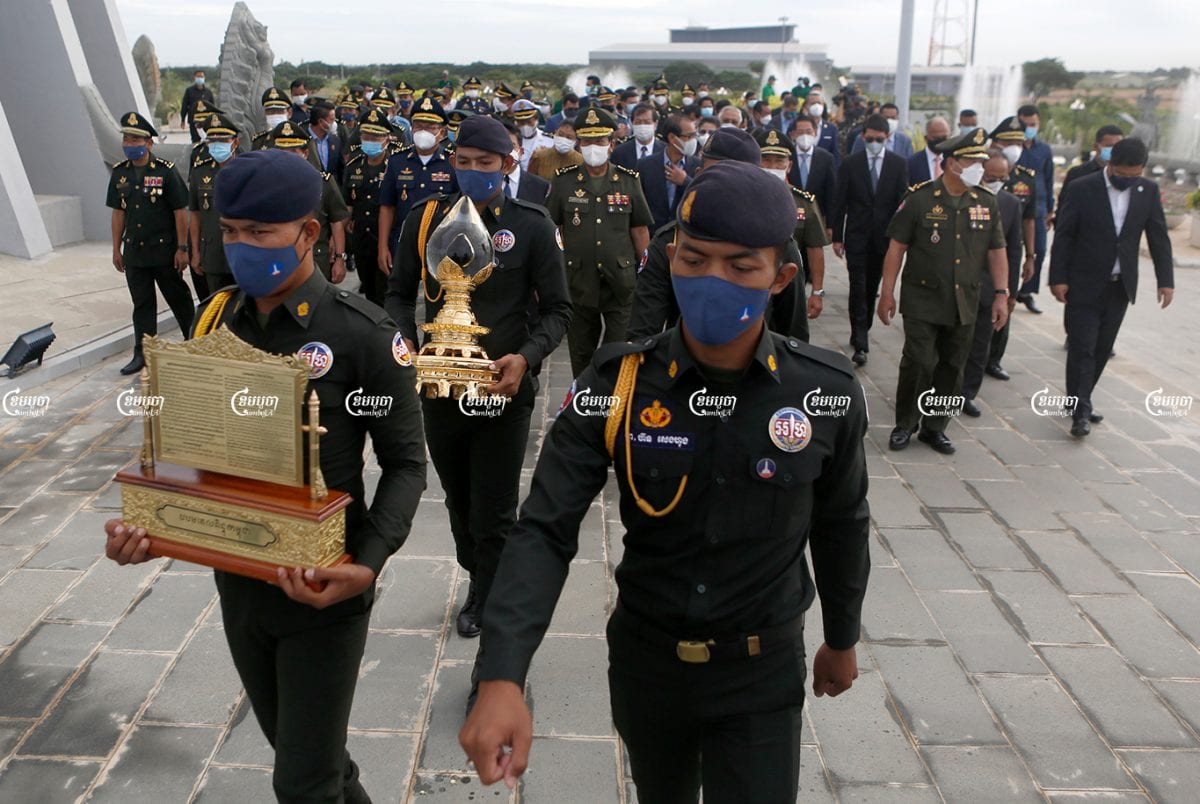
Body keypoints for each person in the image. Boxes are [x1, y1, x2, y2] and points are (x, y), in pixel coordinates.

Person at [459, 159, 870, 802]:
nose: (713, 281)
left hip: (760, 672)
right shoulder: (615, 384)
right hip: (650, 665)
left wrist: (841, 638)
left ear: (780, 276)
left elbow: (843, 522)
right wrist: (503, 673)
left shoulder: (823, 392)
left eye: (741, 267)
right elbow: (544, 528)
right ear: (672, 256)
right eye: (696, 259)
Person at [104, 149, 426, 804]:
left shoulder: (363, 334)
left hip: (324, 592)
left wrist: (367, 564)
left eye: (260, 233)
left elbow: (406, 463)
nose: (241, 246)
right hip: (239, 582)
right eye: (230, 231)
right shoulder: (216, 319)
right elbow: (192, 445)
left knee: (302, 784)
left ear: (309, 233)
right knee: (315, 760)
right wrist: (149, 524)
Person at [384, 115, 571, 701]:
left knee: (493, 506)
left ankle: (488, 601)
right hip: (439, 387)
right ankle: (480, 572)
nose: (470, 172)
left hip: (501, 389)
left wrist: (526, 357)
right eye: (462, 160)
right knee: (459, 498)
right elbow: (397, 291)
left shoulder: (532, 227)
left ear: (507, 165)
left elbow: (558, 311)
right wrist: (403, 341)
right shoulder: (425, 220)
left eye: (483, 164)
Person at [877, 127, 1010, 455]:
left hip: (964, 299)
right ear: (952, 164)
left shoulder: (986, 202)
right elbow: (897, 247)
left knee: (953, 365)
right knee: (919, 361)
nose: (980, 167)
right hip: (923, 297)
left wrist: (1003, 294)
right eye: (972, 161)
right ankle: (905, 423)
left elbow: (997, 251)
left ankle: (935, 427)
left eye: (982, 160)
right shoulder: (920, 199)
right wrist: (887, 292)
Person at [627, 127, 811, 344]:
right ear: (697, 176)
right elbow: (643, 331)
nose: (725, 188)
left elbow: (793, 332)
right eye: (695, 261)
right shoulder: (671, 240)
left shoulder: (777, 245)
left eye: (741, 267)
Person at [1049, 137, 1174, 437]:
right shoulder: (1083, 188)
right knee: (1083, 347)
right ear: (1111, 164)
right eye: (1123, 175)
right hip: (1083, 282)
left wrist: (1165, 281)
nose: (1129, 181)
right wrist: (1057, 278)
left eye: (1136, 176)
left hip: (1120, 285)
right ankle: (1081, 411)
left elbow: (1158, 236)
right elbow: (1064, 235)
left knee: (1102, 347)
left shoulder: (1148, 191)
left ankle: (1079, 398)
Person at [546, 107, 652, 376]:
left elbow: (639, 230)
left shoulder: (628, 181)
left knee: (618, 351)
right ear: (579, 145)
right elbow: (554, 228)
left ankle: (611, 405)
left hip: (621, 281)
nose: (594, 147)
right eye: (588, 141)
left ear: (611, 144)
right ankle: (583, 403)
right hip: (578, 280)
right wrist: (551, 271)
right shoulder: (564, 181)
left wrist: (648, 272)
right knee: (581, 353)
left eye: (600, 141)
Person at [106, 112, 195, 375]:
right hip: (135, 252)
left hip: (164, 252)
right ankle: (143, 352)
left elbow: (181, 211)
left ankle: (193, 344)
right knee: (142, 304)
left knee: (178, 299)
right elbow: (117, 212)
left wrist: (182, 248)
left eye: (135, 139)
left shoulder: (165, 172)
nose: (130, 144)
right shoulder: (120, 174)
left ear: (149, 143)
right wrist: (115, 248)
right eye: (126, 139)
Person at [831, 114, 909, 366]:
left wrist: (901, 237)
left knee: (871, 287)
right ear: (863, 137)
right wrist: (837, 237)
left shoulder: (898, 164)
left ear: (887, 138)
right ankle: (860, 339)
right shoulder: (851, 163)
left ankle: (864, 326)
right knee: (857, 286)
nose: (874, 142)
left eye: (879, 139)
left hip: (884, 238)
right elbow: (840, 201)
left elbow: (901, 204)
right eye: (870, 138)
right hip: (857, 235)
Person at [961, 152, 1024, 417]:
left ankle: (966, 394)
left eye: (1002, 178)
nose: (997, 183)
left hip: (990, 286)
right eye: (991, 178)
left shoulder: (1011, 204)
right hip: (961, 283)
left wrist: (1009, 291)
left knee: (980, 344)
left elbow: (1012, 250)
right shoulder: (964, 198)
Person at [377, 96, 457, 276]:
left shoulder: (452, 163)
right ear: (411, 129)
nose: (424, 131)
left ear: (442, 133)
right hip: (403, 243)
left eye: (430, 127)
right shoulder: (397, 161)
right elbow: (387, 207)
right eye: (419, 126)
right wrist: (382, 248)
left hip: (441, 245)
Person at [985, 117, 1039, 379]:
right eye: (1009, 142)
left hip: (1009, 250)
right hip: (979, 253)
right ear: (997, 142)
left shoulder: (1025, 179)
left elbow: (1029, 219)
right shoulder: (983, 168)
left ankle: (993, 359)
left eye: (1019, 142)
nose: (1015, 147)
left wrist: (1031, 255)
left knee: (1007, 298)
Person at [756, 128, 830, 313]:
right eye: (766, 160)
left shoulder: (804, 202)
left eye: (779, 161)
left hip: (792, 285)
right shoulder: (743, 197)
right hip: (752, 281)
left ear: (789, 166)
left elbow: (815, 248)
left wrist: (817, 292)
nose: (772, 166)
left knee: (793, 337)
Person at [271, 122, 350, 284]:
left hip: (316, 259)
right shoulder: (266, 184)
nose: (287, 157)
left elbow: (336, 222)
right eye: (282, 151)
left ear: (305, 153)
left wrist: (340, 259)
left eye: (293, 151)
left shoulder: (323, 182)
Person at [342, 109, 395, 307]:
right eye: (366, 136)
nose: (370, 141)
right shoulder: (353, 167)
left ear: (386, 139)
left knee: (385, 290)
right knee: (369, 288)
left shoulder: (395, 166)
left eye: (375, 137)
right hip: (361, 237)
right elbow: (347, 204)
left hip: (386, 236)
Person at [188, 112, 240, 294]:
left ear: (235, 142)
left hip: (242, 252)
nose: (217, 144)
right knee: (216, 309)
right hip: (212, 252)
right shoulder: (200, 171)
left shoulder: (249, 170)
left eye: (223, 139)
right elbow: (194, 214)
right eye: (212, 140)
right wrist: (195, 252)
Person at [1014, 104, 1055, 314]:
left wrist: (1050, 208)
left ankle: (1026, 291)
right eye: (1025, 124)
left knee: (1039, 250)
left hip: (1038, 208)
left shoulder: (1044, 150)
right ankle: (1008, 288)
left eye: (1033, 124)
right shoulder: (1012, 148)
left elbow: (1048, 179)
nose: (1029, 128)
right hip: (1015, 208)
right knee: (1011, 250)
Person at [638, 113, 701, 233]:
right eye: (689, 136)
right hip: (653, 236)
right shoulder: (645, 165)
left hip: (685, 235)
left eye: (695, 136)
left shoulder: (698, 165)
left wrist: (685, 181)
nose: (693, 141)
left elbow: (703, 198)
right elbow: (639, 205)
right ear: (672, 138)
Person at [787, 115, 836, 236]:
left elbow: (831, 192)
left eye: (809, 132)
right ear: (793, 134)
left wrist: (830, 224)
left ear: (815, 132)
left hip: (816, 216)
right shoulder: (787, 157)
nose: (805, 136)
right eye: (800, 132)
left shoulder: (826, 158)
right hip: (790, 214)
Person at [1060, 124, 1124, 200]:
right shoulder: (1077, 173)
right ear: (1096, 147)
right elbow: (1064, 205)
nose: (1114, 150)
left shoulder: (1125, 175)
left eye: (1118, 146)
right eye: (1109, 146)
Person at [499, 121, 551, 205]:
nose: (506, 151)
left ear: (521, 152)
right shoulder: (484, 181)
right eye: (501, 145)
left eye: (512, 146)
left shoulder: (540, 186)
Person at [612, 104, 663, 170]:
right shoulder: (619, 152)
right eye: (638, 122)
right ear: (632, 123)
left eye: (647, 122)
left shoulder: (665, 150)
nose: (642, 126)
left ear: (655, 124)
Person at [907, 116, 951, 184]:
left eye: (944, 137)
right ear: (926, 138)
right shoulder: (911, 163)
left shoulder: (956, 161)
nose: (940, 140)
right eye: (936, 138)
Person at [511, 100, 550, 170]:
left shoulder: (549, 140)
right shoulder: (511, 141)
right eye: (521, 123)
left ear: (536, 120)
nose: (525, 126)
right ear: (515, 123)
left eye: (529, 122)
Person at [805, 93, 840, 169]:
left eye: (819, 103)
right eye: (813, 103)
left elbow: (835, 154)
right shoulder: (796, 126)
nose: (816, 106)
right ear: (806, 106)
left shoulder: (831, 128)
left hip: (823, 171)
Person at [181, 70, 215, 143]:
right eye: (198, 76)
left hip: (206, 121)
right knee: (195, 140)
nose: (200, 78)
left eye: (201, 77)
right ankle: (195, 153)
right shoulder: (189, 91)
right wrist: (183, 119)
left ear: (204, 78)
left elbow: (212, 107)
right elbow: (184, 105)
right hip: (194, 121)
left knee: (207, 140)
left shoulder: (208, 92)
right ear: (194, 78)